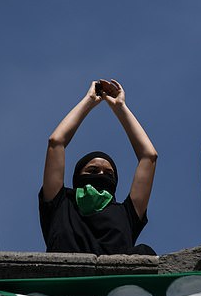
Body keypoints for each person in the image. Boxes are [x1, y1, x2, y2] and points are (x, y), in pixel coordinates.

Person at [40, 79, 158, 255]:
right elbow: (56, 142)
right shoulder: (60, 204)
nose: (101, 175)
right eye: (93, 171)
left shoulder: (127, 214)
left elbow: (149, 156)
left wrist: (120, 107)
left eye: (108, 174)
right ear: (78, 176)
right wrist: (89, 100)